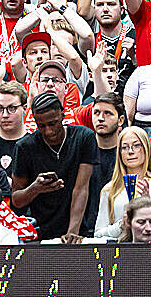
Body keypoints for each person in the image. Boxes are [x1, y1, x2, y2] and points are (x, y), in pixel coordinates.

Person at [11, 92, 97, 242]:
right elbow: (17, 200)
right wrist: (35, 188)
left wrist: (72, 232)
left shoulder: (83, 138)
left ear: (63, 115)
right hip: (40, 232)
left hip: (80, 228)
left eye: (52, 123)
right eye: (41, 126)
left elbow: (81, 188)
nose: (48, 131)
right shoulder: (25, 147)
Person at [94, 127, 151, 239]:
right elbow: (97, 235)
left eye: (136, 146)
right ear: (119, 153)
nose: (130, 151)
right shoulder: (109, 189)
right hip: (119, 252)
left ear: (146, 148)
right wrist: (121, 225)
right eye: (124, 147)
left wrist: (148, 205)